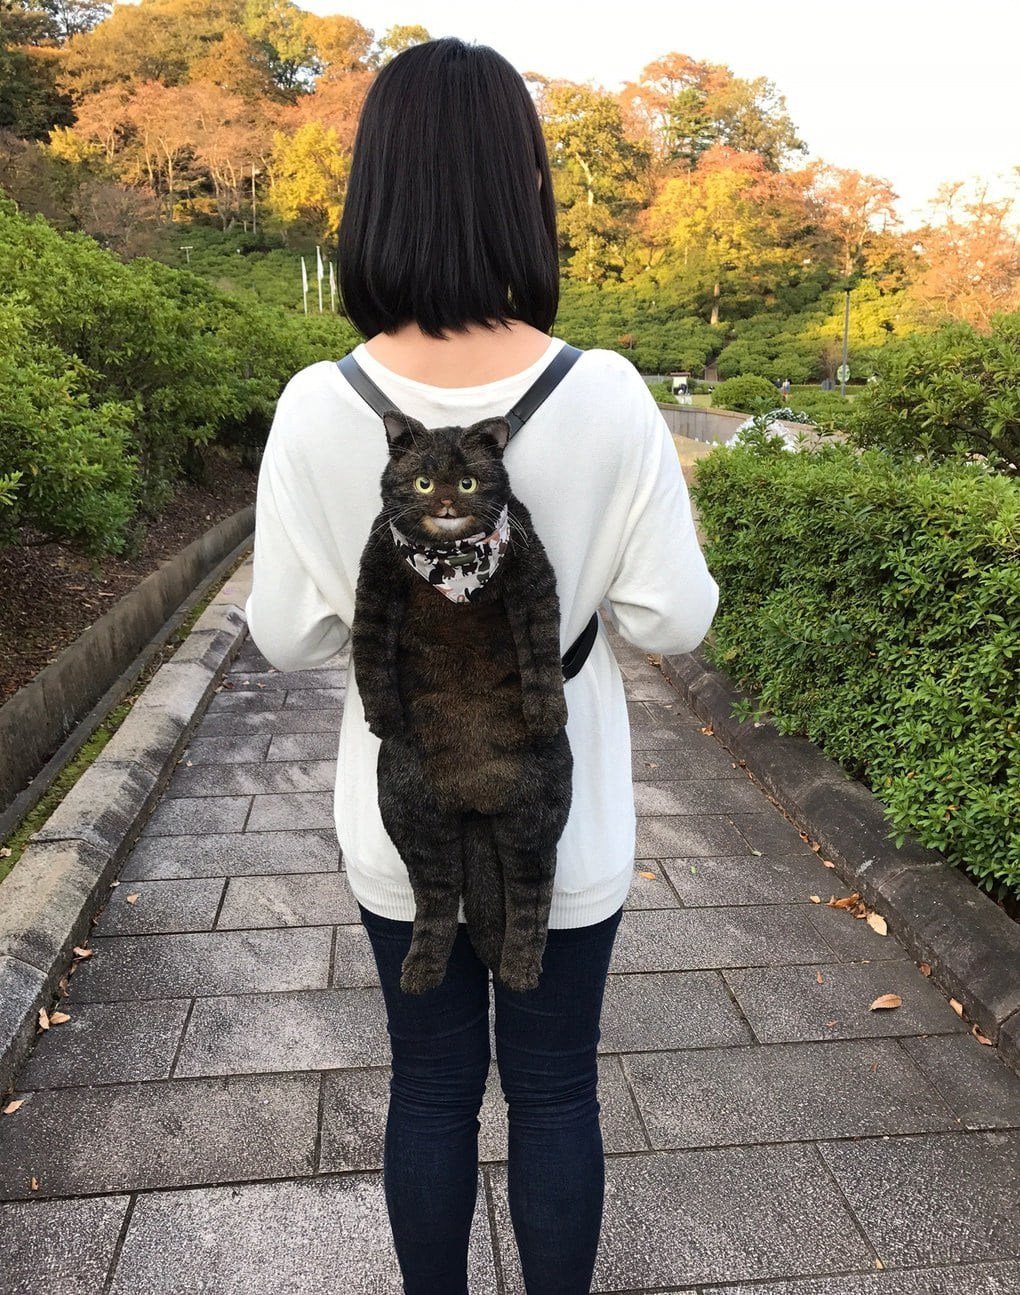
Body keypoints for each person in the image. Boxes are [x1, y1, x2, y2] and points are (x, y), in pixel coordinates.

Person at [244, 37, 718, 1295]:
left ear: (371, 195)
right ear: (527, 190)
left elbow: (286, 636)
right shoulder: (605, 392)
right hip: (565, 818)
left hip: (398, 818)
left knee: (432, 1086)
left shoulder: (318, 402)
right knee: (556, 1089)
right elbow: (674, 619)